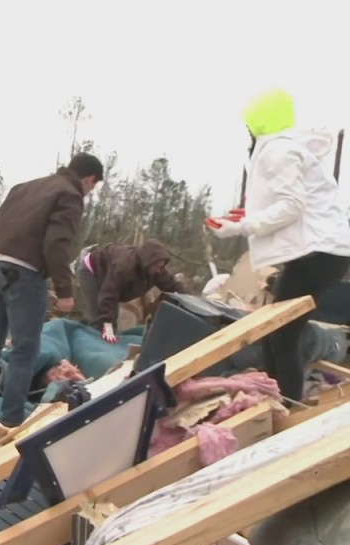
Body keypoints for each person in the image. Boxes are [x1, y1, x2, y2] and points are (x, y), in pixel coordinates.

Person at [210, 88, 350, 402]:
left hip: (320, 253)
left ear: (258, 122)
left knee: (282, 335)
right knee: (277, 333)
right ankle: (278, 400)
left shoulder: (279, 152)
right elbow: (293, 204)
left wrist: (240, 227)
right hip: (321, 251)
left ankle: (286, 406)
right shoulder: (283, 149)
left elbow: (291, 205)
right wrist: (247, 214)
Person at [0, 153, 103, 427]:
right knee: (25, 349)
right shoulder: (70, 194)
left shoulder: (24, 188)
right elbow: (57, 243)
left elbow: (0, 223)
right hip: (23, 274)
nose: (89, 192)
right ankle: (11, 422)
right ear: (89, 179)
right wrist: (64, 289)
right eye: (93, 186)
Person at [75, 239, 187, 342]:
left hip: (109, 278)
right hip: (92, 271)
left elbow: (174, 286)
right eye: (157, 266)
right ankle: (94, 349)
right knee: (100, 319)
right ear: (148, 262)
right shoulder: (124, 266)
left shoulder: (157, 272)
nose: (159, 270)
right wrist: (108, 323)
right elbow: (109, 295)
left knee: (111, 323)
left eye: (161, 267)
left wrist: (191, 300)